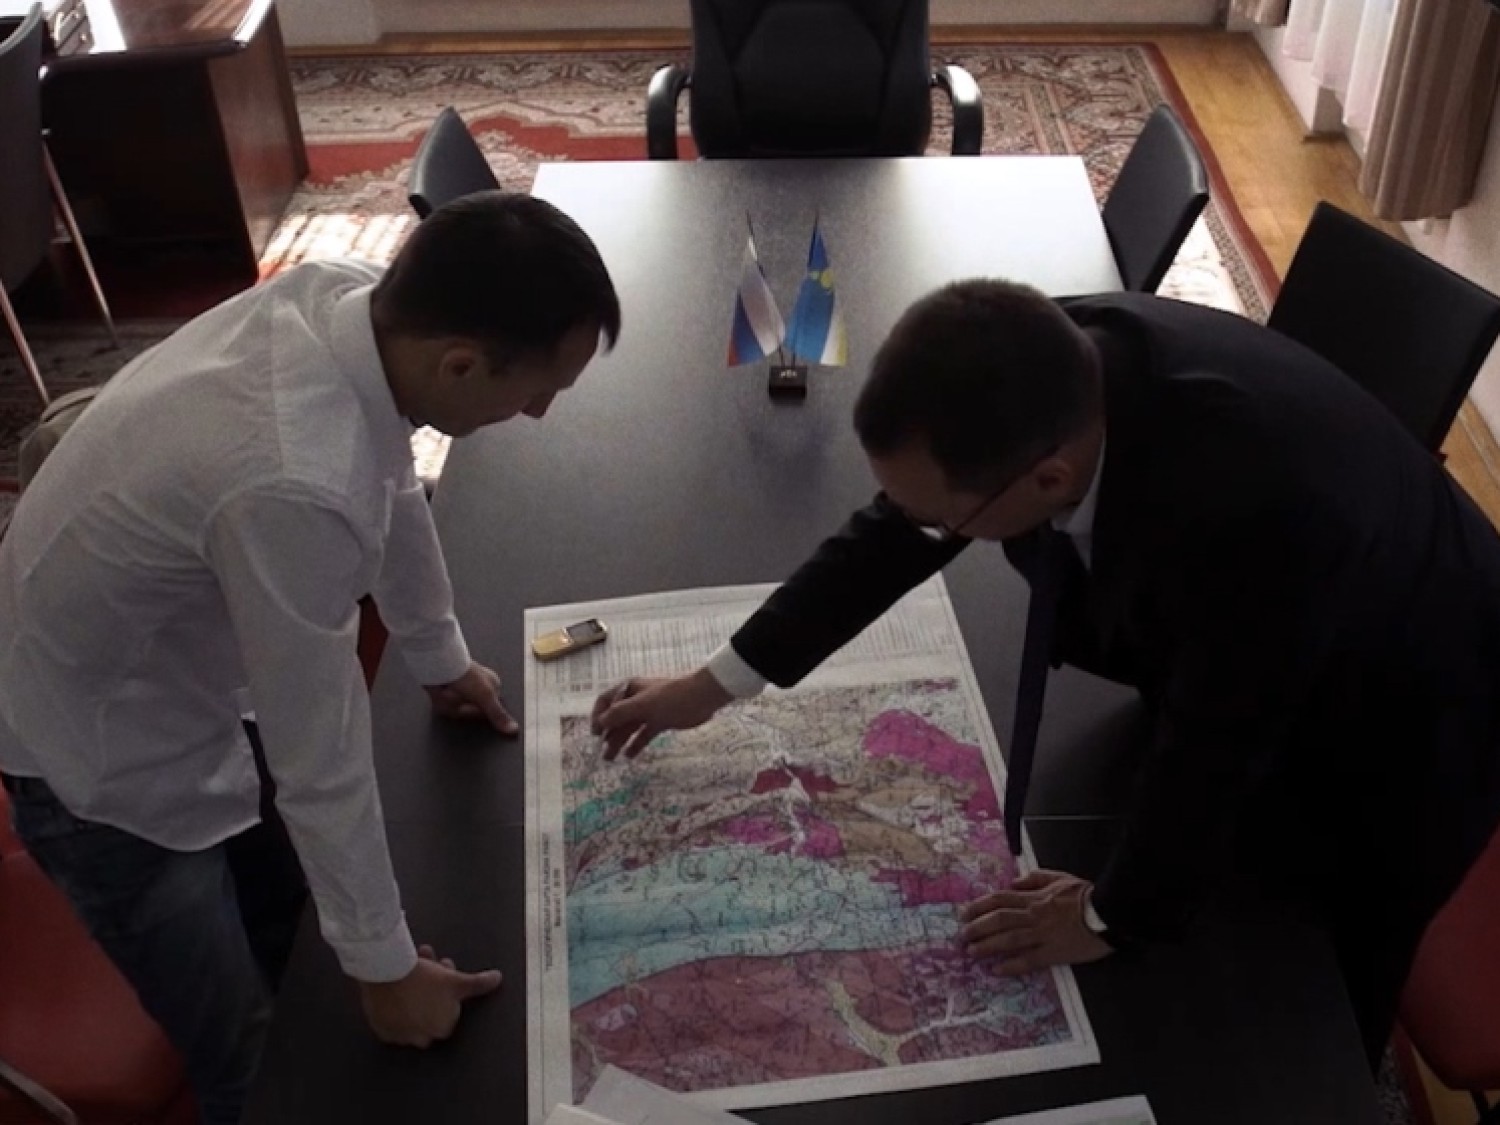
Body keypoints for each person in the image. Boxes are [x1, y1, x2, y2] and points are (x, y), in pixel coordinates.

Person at [591, 278, 1500, 1069]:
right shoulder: (1044, 368)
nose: (920, 523)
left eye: (944, 517)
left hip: (1416, 699)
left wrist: (1110, 917)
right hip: (1250, 635)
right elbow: (894, 534)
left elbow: (1219, 733)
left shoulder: (1253, 520)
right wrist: (709, 686)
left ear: (1050, 479)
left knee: (1320, 975)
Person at [0, 191, 620, 1123]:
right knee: (251, 1053)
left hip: (178, 675)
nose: (536, 412)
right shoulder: (293, 481)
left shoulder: (351, 301)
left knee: (294, 945)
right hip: (100, 767)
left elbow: (390, 479)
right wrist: (386, 971)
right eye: (538, 389)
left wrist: (438, 654)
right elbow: (319, 754)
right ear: (459, 362)